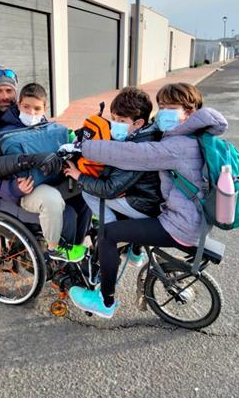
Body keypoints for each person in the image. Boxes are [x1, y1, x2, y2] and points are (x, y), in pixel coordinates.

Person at [66, 82, 228, 318]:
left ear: (190, 112)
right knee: (126, 221)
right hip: (192, 217)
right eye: (160, 106)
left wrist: (82, 146)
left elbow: (131, 155)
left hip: (178, 224)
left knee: (108, 233)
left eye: (169, 107)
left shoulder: (178, 145)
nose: (161, 112)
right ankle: (133, 252)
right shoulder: (194, 134)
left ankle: (105, 301)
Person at [0, 67, 91, 259]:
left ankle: (75, 251)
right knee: (62, 210)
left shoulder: (42, 125)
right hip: (7, 193)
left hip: (47, 182)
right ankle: (55, 251)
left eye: (9, 91)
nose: (4, 96)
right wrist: (14, 188)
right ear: (20, 105)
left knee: (84, 193)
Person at [63, 88, 162, 267]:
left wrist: (79, 176)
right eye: (114, 118)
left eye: (121, 121)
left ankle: (111, 230)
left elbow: (109, 189)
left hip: (143, 204)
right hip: (148, 196)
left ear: (139, 123)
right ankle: (134, 252)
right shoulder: (146, 134)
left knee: (89, 192)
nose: (115, 124)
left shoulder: (137, 149)